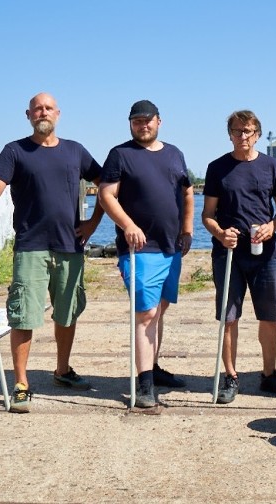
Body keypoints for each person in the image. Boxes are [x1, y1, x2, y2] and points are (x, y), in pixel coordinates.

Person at [0, 92, 104, 413]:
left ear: (58, 113)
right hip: (31, 246)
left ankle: (62, 371)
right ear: (28, 114)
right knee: (24, 315)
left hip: (70, 247)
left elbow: (106, 183)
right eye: (37, 108)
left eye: (48, 108)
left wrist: (94, 222)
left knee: (67, 312)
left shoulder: (75, 151)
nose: (43, 112)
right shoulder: (15, 151)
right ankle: (21, 384)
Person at [98, 100, 193, 408]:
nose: (142, 125)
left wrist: (187, 230)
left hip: (170, 247)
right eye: (136, 121)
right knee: (146, 314)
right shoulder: (120, 155)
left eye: (147, 120)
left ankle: (153, 366)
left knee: (160, 309)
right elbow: (105, 195)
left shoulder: (174, 153)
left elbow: (187, 192)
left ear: (159, 122)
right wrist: (127, 224)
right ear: (130, 124)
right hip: (139, 249)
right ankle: (144, 383)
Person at [201, 110, 276, 404]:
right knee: (229, 318)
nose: (243, 137)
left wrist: (271, 226)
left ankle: (269, 374)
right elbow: (207, 215)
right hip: (228, 254)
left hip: (265, 253)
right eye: (238, 131)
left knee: (270, 316)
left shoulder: (271, 166)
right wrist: (219, 233)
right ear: (229, 134)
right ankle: (230, 376)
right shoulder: (217, 168)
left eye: (249, 131)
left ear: (258, 134)